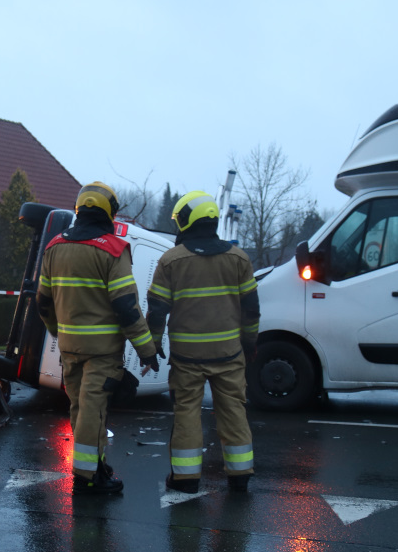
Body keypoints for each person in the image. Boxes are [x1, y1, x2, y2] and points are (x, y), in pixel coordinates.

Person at [36, 181, 159, 495]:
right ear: (109, 212)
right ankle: (90, 475)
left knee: (80, 408)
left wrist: (56, 330)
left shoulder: (54, 247)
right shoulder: (113, 249)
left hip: (69, 347)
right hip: (102, 352)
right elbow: (126, 307)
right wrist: (146, 349)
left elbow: (43, 302)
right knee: (93, 410)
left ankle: (95, 465)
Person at [146, 190, 260, 494]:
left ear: (187, 220)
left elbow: (157, 310)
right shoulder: (239, 259)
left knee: (186, 414)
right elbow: (251, 310)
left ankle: (185, 479)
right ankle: (240, 476)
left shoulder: (171, 261)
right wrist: (250, 345)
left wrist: (151, 348)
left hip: (187, 357)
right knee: (234, 411)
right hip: (229, 354)